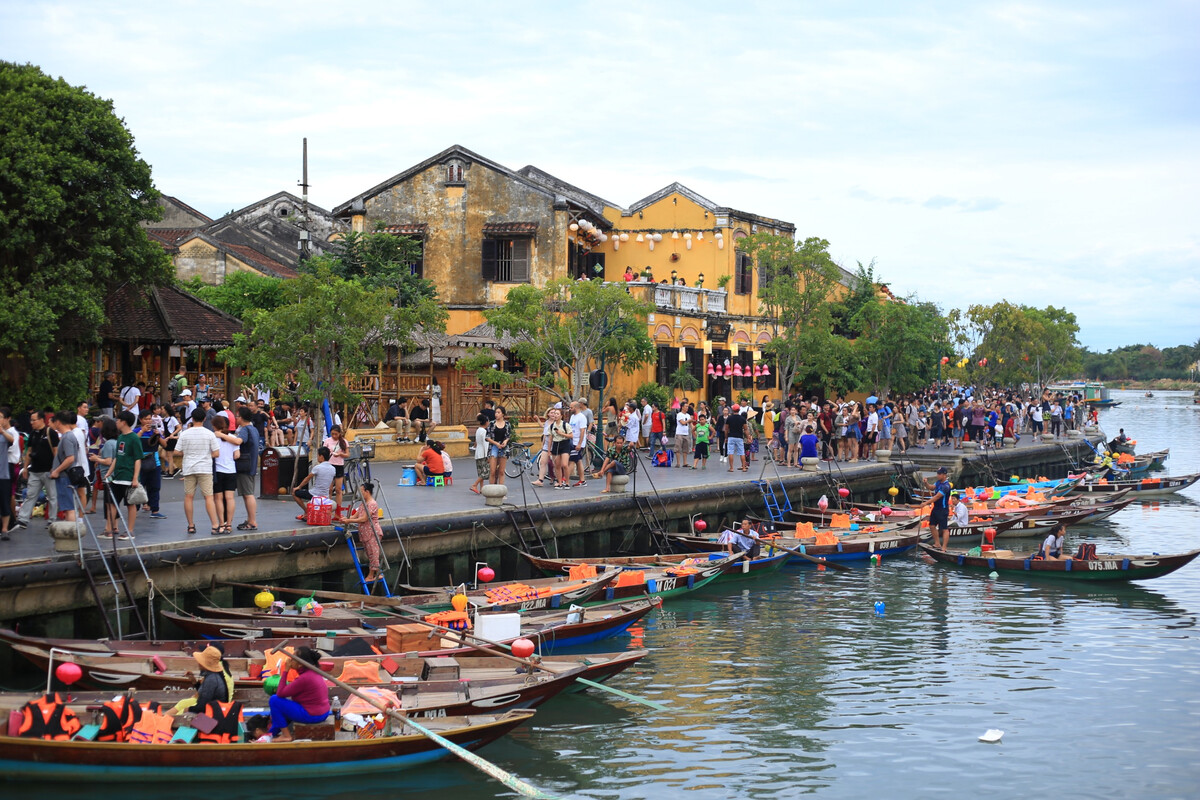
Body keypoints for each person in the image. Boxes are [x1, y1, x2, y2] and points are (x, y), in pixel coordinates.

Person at [262, 646, 330, 743]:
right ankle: (269, 736)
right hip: (323, 713)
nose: (290, 660)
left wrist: (285, 671)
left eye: (293, 658)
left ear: (300, 665)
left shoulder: (304, 678)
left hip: (313, 715)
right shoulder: (312, 672)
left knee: (274, 700)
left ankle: (286, 736)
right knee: (281, 708)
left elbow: (280, 693)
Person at [14, 409, 58, 530]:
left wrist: (55, 468)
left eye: (34, 420)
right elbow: (29, 451)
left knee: (52, 496)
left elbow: (56, 451)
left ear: (41, 420)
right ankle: (23, 519)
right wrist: (25, 468)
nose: (31, 422)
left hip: (48, 471)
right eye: (31, 420)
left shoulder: (51, 433)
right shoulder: (33, 433)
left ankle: (52, 520)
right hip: (35, 470)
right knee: (30, 495)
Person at [344, 482, 384, 582]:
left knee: (373, 554)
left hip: (372, 532)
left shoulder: (372, 504)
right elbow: (356, 515)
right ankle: (377, 572)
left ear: (367, 492)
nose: (360, 494)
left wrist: (349, 521)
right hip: (365, 532)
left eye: (361, 491)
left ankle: (371, 575)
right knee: (369, 553)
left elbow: (364, 519)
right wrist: (346, 518)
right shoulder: (363, 504)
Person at [210, 415, 238, 536]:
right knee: (230, 498)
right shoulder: (233, 437)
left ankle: (221, 524)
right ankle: (229, 524)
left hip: (218, 471)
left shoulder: (212, 438)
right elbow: (237, 455)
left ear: (215, 426)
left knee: (218, 499)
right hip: (231, 470)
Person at [233, 406, 260, 531]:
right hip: (252, 465)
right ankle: (250, 519)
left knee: (248, 494)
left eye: (237, 416)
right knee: (247, 494)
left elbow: (238, 441)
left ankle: (252, 521)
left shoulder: (245, 429)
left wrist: (222, 435)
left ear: (242, 417)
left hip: (245, 465)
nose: (236, 418)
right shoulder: (253, 429)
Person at [136, 409, 166, 520]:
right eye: (146, 419)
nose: (148, 421)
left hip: (155, 463)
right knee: (139, 486)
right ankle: (135, 508)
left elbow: (165, 444)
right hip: (139, 463)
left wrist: (158, 436)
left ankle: (155, 510)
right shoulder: (136, 431)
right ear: (140, 420)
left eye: (150, 419)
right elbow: (133, 441)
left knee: (155, 487)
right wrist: (142, 431)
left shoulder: (155, 431)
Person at [292, 446, 336, 521]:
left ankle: (307, 512)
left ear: (321, 456)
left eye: (318, 456)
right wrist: (329, 497)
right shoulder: (333, 469)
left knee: (294, 493)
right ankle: (306, 513)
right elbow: (331, 486)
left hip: (315, 494)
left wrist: (298, 487)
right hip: (325, 495)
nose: (317, 458)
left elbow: (307, 479)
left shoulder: (318, 467)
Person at [323, 425, 349, 513]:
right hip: (329, 465)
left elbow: (347, 454)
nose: (334, 436)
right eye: (332, 434)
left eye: (336, 434)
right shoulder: (327, 441)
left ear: (339, 434)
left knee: (338, 490)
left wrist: (340, 454)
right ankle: (328, 509)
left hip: (339, 466)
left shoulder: (344, 442)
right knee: (329, 489)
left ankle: (338, 510)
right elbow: (324, 453)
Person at [928, 467, 953, 549]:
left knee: (944, 529)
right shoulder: (938, 482)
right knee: (932, 526)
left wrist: (925, 503)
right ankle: (937, 543)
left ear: (944, 475)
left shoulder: (946, 486)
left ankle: (944, 547)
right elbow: (931, 487)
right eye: (937, 473)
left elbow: (937, 497)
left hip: (943, 509)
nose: (937, 475)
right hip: (936, 508)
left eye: (939, 474)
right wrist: (926, 483)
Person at [486, 407, 510, 485]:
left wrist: (505, 442)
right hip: (494, 446)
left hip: (503, 447)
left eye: (498, 412)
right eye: (496, 412)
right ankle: (491, 489)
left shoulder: (507, 424)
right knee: (492, 471)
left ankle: (501, 490)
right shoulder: (492, 423)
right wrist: (496, 443)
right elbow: (487, 437)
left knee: (501, 471)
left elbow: (508, 436)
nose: (496, 414)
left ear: (503, 414)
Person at [470, 414, 489, 495]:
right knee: (485, 472)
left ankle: (482, 488)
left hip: (478, 452)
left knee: (480, 471)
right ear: (486, 422)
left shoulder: (478, 430)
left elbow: (477, 442)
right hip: (483, 453)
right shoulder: (484, 431)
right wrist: (487, 455)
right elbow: (486, 444)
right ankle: (474, 485)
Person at [725, 404, 747, 472]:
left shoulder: (729, 418)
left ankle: (731, 468)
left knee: (730, 452)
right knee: (742, 452)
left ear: (732, 410)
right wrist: (748, 437)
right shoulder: (742, 419)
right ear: (739, 410)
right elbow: (745, 429)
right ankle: (744, 467)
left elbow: (726, 429)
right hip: (739, 437)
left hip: (731, 436)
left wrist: (726, 437)